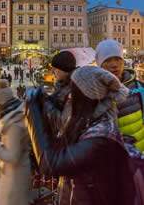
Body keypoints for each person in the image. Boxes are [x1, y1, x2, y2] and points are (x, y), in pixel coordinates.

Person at [25, 66, 135, 204]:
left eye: (74, 91)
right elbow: (60, 138)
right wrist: (45, 102)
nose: (70, 96)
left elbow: (51, 164)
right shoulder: (89, 121)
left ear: (86, 97)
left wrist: (33, 112)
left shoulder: (102, 136)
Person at [0, 79, 33, 205]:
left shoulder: (14, 124)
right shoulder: (16, 114)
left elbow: (12, 156)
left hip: (14, 179)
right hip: (15, 174)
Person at [96, 39, 144, 151]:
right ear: (100, 64)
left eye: (118, 59)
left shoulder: (138, 87)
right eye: (108, 60)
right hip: (113, 158)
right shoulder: (93, 93)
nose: (114, 65)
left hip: (139, 155)